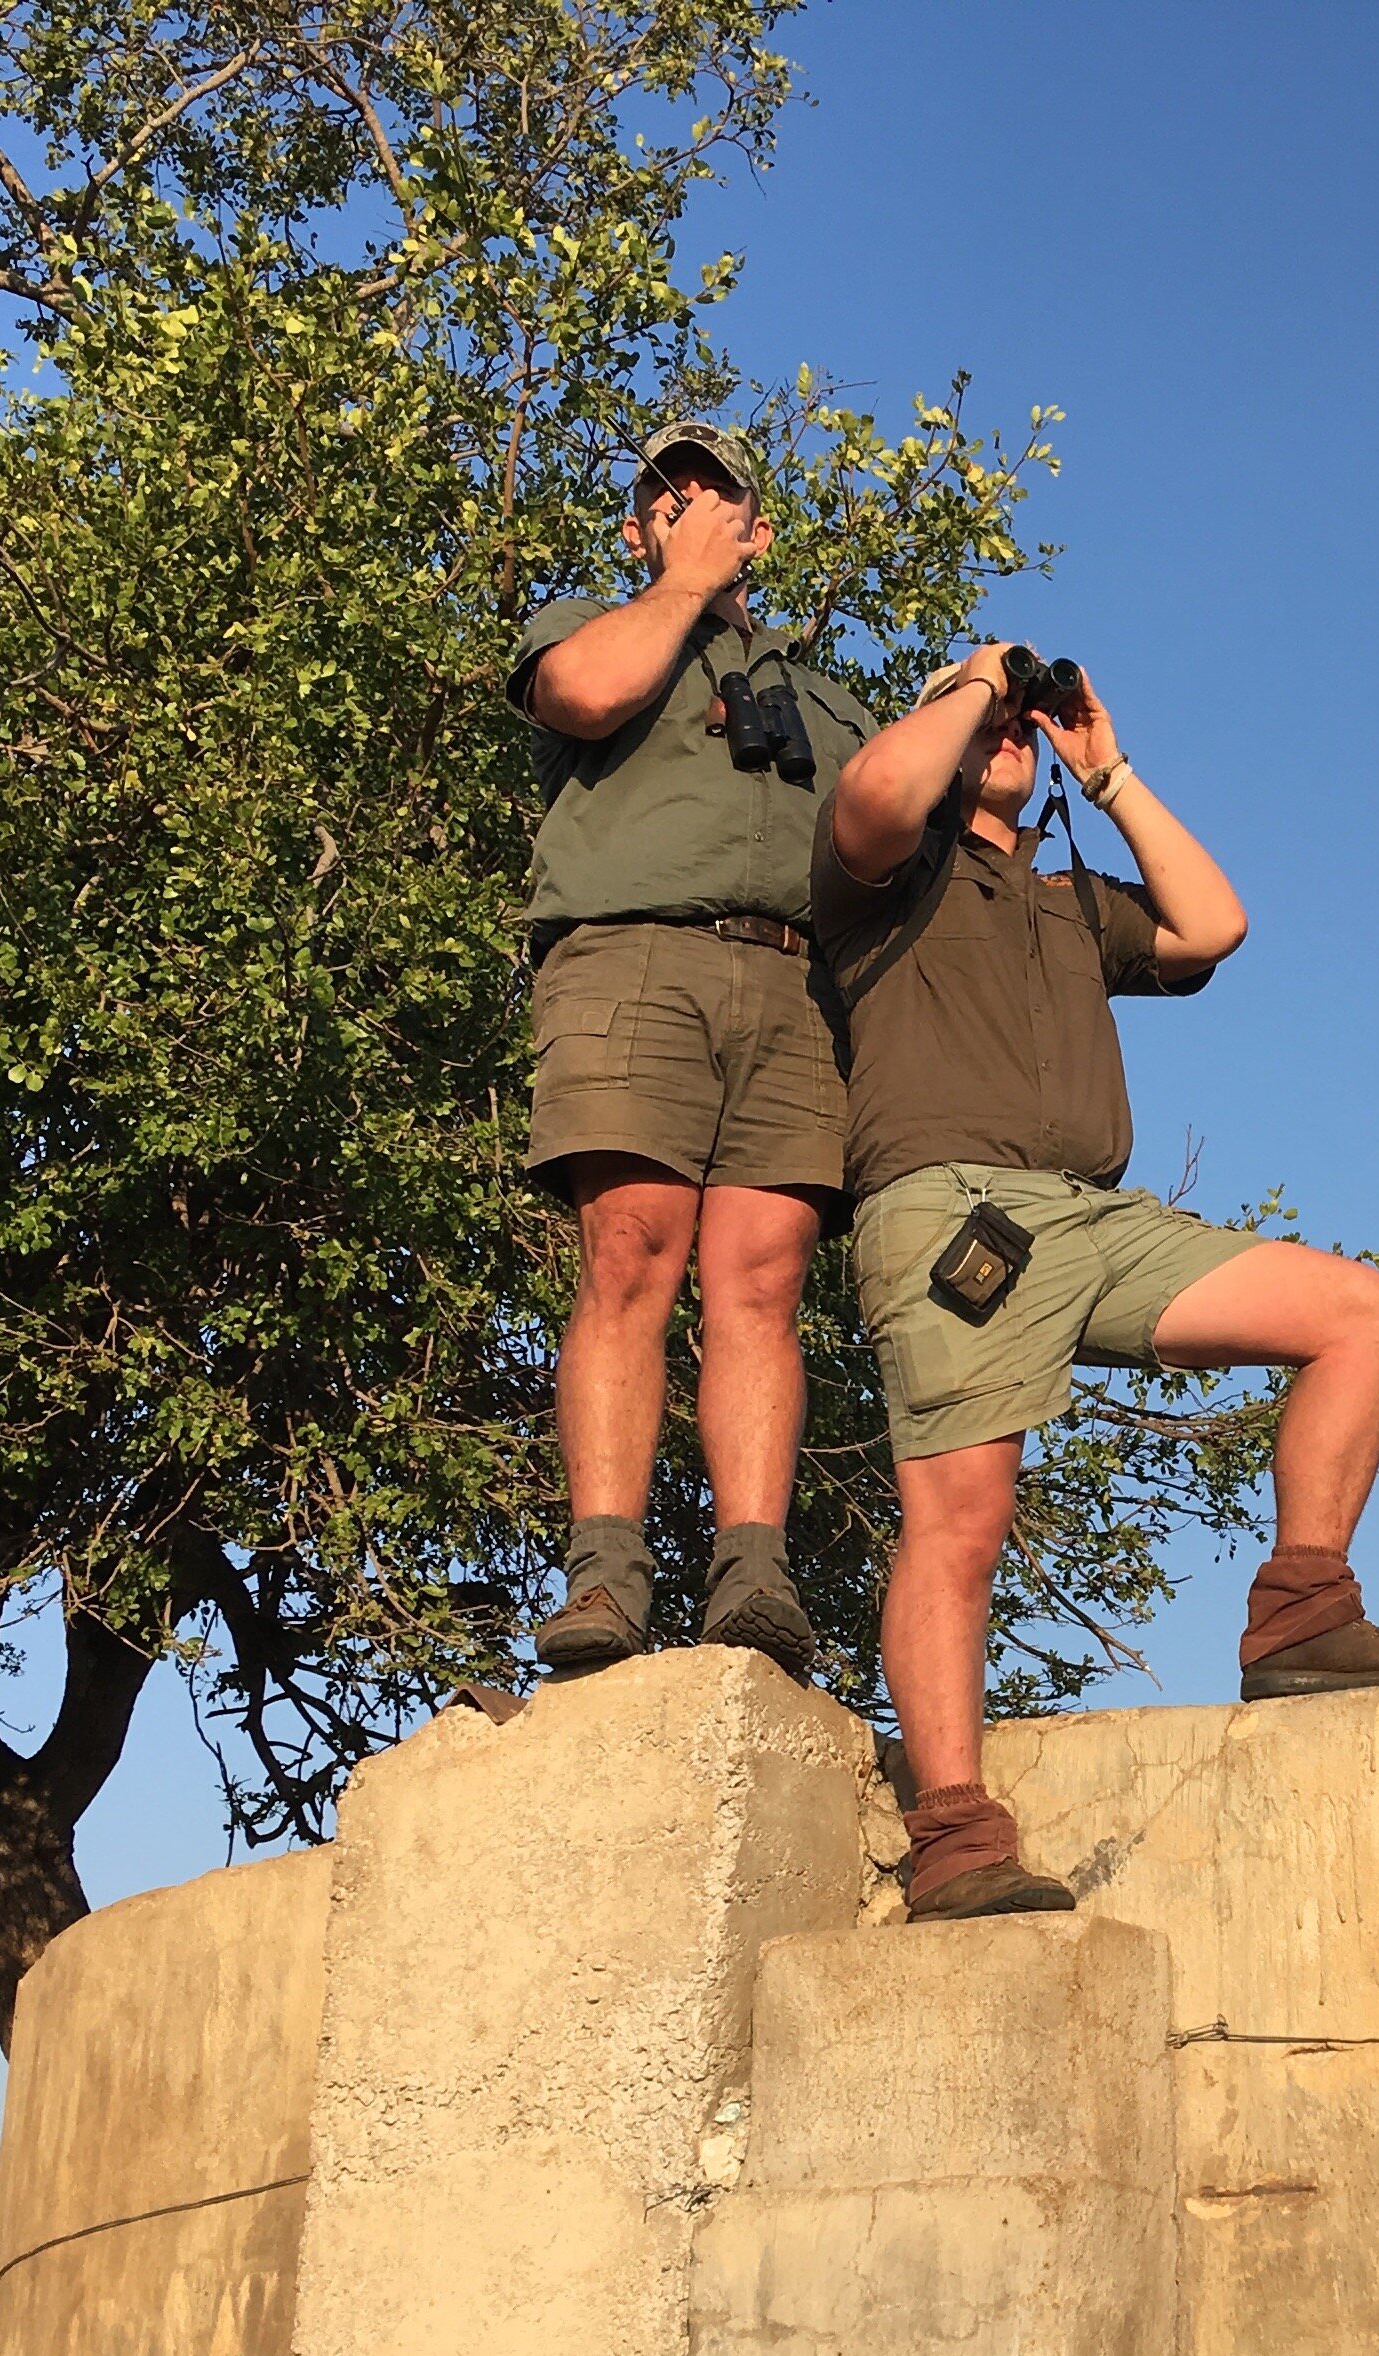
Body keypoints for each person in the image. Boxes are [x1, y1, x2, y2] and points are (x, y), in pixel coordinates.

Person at [817, 643, 1379, 1920]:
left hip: (1096, 1216)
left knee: (1358, 1311)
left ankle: (1300, 1614)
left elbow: (1213, 923)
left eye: (1019, 722)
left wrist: (1103, 767)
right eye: (991, 722)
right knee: (961, 1520)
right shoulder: (886, 872)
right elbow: (878, 796)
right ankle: (953, 1832)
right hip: (954, 1208)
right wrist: (968, 687)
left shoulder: (1067, 900)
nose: (1010, 731)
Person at [510, 419, 878, 1681]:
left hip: (794, 984)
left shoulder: (829, 701)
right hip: (633, 959)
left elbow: (888, 843)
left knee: (764, 1285)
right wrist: (679, 584)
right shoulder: (587, 625)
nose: (698, 503)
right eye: (672, 492)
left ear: (761, 532)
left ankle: (754, 1575)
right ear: (640, 525)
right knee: (629, 1254)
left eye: (722, 492)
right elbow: (584, 696)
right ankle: (606, 1577)